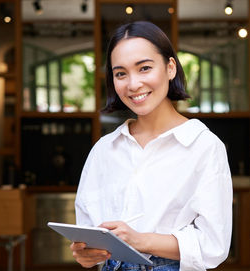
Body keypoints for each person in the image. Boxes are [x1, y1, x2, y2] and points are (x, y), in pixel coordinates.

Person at [70, 21, 232, 271]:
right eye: (120, 73)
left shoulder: (203, 146)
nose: (133, 84)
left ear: (170, 68)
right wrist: (87, 254)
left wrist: (140, 240)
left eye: (144, 68)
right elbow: (92, 238)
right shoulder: (104, 149)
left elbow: (213, 246)